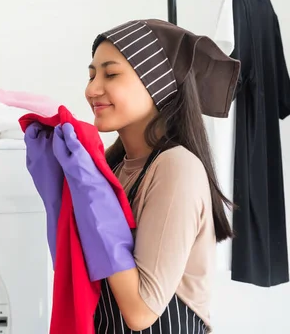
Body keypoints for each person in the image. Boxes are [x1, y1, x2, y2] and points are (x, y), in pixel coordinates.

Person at [25, 19, 240, 334]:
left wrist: (95, 199)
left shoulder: (175, 168)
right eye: (91, 75)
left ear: (158, 84)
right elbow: (77, 276)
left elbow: (141, 313)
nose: (91, 89)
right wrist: (57, 191)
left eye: (110, 74)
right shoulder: (110, 170)